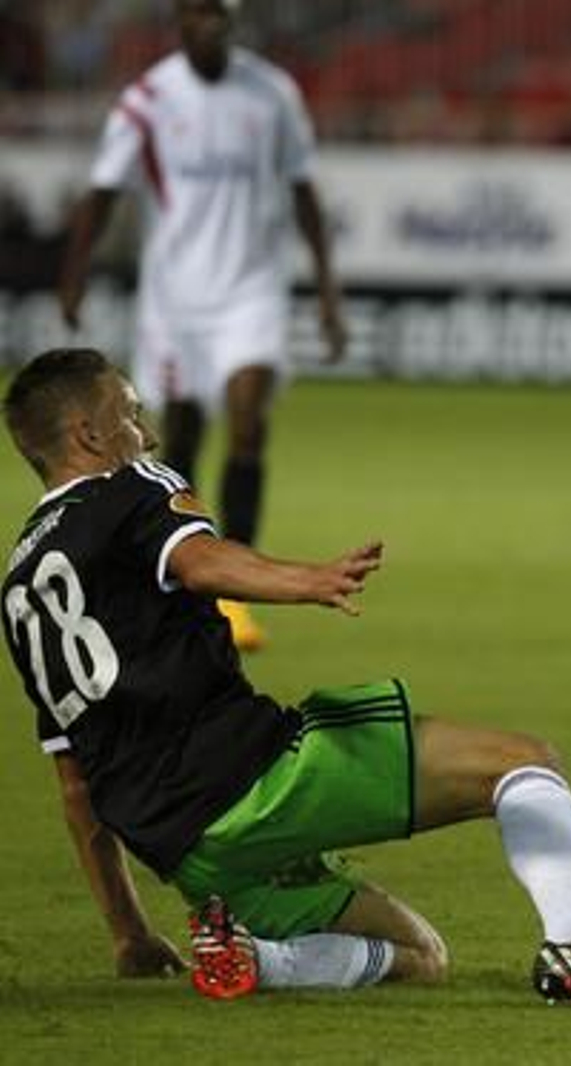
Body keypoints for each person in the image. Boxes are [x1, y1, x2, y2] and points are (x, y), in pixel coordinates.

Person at [2, 347, 571, 1005]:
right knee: (526, 765)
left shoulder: (20, 592)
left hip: (191, 856)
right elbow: (199, 561)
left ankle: (258, 959)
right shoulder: (130, 485)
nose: (149, 434)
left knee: (420, 955)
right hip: (256, 778)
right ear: (88, 433)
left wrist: (129, 933)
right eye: (131, 414)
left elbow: (76, 789)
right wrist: (305, 580)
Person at [57, 0, 347, 653]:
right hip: (176, 301)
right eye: (198, 12)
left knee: (248, 423)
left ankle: (236, 596)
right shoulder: (149, 99)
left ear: (234, 21)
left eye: (219, 13)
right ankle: (186, 579)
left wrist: (329, 293)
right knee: (182, 436)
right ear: (180, 20)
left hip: (251, 291)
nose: (209, 23)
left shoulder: (272, 93)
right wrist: (73, 274)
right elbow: (103, 191)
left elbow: (304, 189)